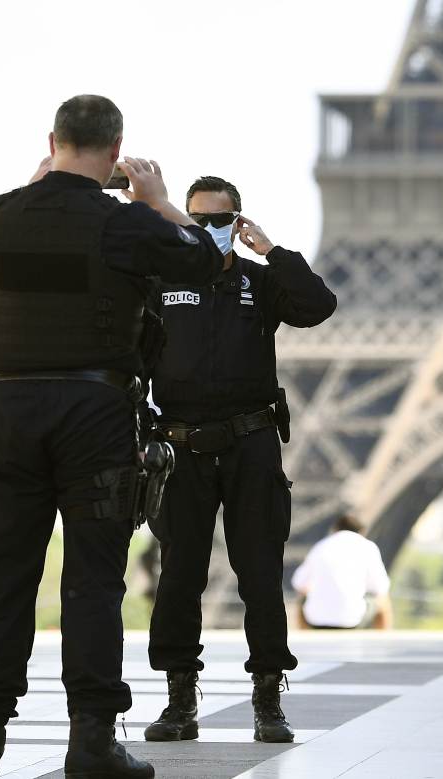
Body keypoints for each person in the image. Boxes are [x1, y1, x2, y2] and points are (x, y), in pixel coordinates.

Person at [0, 95, 224, 779]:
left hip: (11, 406)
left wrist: (31, 190)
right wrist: (159, 201)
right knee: (93, 580)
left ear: (54, 140)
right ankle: (91, 741)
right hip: (93, 409)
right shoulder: (123, 223)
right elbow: (209, 263)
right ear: (116, 147)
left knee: (3, 576)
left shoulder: (4, 213)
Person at [143, 175, 337, 744]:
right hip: (181, 445)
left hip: (251, 442)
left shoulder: (261, 280)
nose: (209, 231)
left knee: (259, 573)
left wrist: (272, 251)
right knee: (179, 576)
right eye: (197, 220)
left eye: (220, 221)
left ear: (239, 223)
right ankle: (180, 699)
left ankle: (268, 698)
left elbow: (318, 304)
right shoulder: (161, 284)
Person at [291, 515, 394, 630]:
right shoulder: (367, 546)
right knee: (383, 600)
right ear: (362, 531)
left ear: (335, 529)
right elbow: (381, 587)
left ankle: (304, 641)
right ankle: (382, 642)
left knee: (302, 600)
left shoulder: (320, 547)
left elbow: (298, 583)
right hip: (352, 620)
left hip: (316, 621)